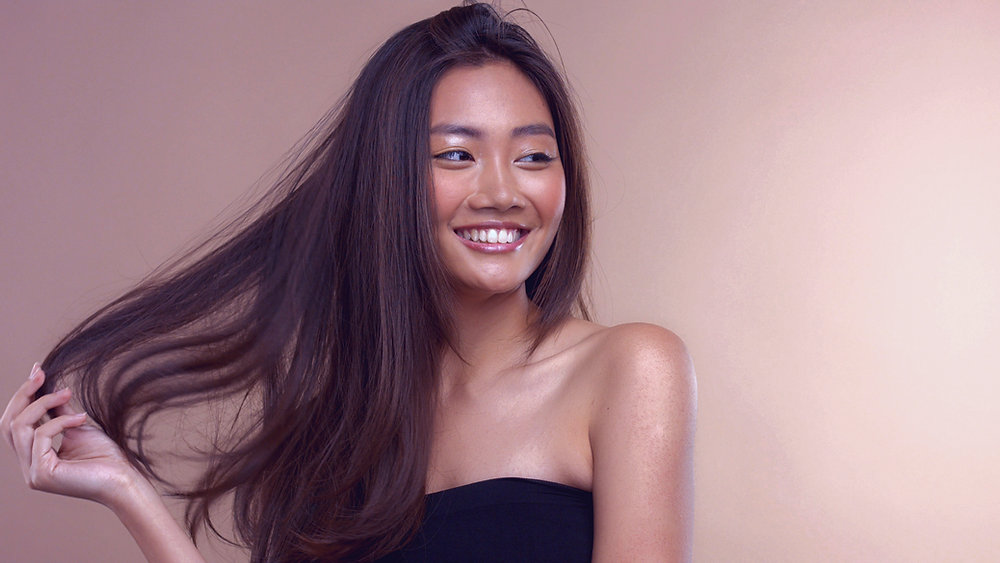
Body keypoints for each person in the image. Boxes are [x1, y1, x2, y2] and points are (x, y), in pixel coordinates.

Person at [1, 3, 696, 561]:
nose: (502, 192)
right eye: (457, 154)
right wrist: (125, 491)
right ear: (388, 177)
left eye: (534, 156)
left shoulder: (630, 368)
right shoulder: (341, 429)